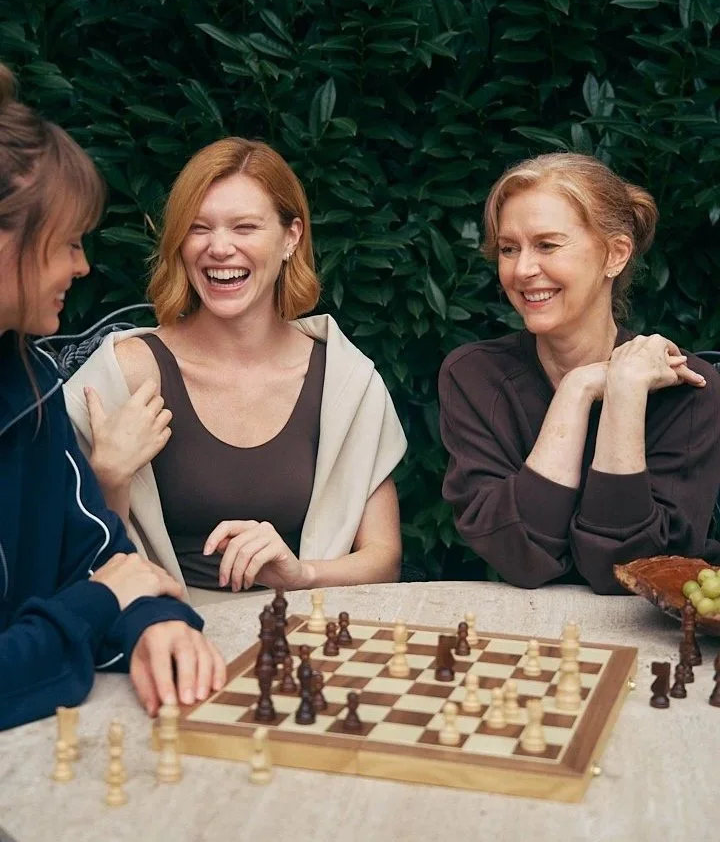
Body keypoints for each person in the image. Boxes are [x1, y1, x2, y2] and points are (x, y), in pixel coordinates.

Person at [64, 138, 406, 603]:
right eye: (198, 228)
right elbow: (64, 552)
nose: (219, 248)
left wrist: (300, 572)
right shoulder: (126, 373)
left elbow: (384, 559)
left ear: (291, 237)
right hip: (160, 633)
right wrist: (108, 476)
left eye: (245, 227)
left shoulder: (345, 381)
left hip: (301, 630)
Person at [0, 65, 225, 730]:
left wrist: (156, 621)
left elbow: (97, 549)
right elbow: (102, 585)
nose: (81, 266)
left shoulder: (30, 386)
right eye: (68, 242)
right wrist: (100, 603)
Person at [439, 152, 720, 594]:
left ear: (615, 254)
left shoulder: (688, 387)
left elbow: (630, 572)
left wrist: (625, 393)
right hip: (519, 637)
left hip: (658, 646)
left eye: (547, 245)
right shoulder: (475, 376)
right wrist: (578, 388)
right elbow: (519, 556)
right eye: (509, 249)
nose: (523, 269)